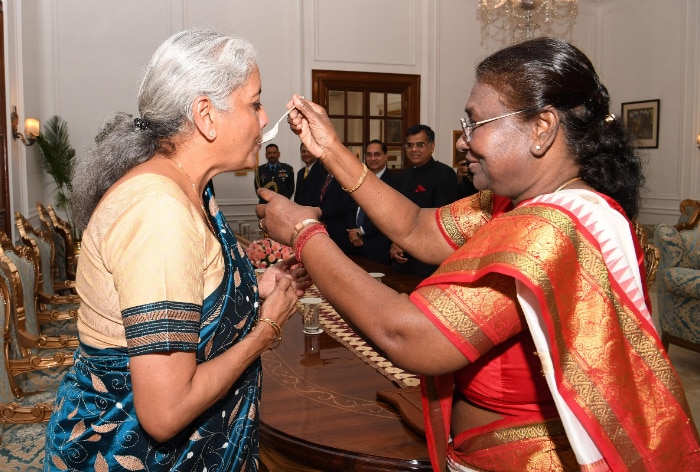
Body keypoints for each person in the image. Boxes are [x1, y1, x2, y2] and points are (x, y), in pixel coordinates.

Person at [257, 37, 700, 471]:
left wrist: (304, 233)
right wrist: (331, 149)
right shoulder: (514, 200)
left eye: (476, 123)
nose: (464, 141)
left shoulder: (552, 229)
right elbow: (417, 227)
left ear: (542, 128)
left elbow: (410, 335)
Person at [44, 28, 310, 472]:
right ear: (206, 115)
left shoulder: (190, 187)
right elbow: (165, 413)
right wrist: (265, 331)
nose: (264, 119)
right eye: (254, 102)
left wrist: (251, 287)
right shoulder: (159, 211)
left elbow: (194, 289)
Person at [391, 124, 459, 277]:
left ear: (432, 146)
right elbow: (396, 215)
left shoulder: (444, 174)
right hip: (402, 259)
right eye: (410, 145)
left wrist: (405, 244)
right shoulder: (402, 177)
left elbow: (439, 219)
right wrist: (395, 243)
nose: (414, 149)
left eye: (420, 145)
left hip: (429, 260)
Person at [347, 139, 396, 265]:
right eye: (369, 154)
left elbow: (387, 214)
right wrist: (352, 231)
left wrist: (361, 231)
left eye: (377, 154)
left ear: (386, 156)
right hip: (355, 243)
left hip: (378, 244)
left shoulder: (393, 181)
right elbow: (352, 207)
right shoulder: (360, 179)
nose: (372, 158)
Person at [319, 171, 355, 254]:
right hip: (324, 229)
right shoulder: (323, 176)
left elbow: (344, 206)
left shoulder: (344, 178)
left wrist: (320, 213)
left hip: (339, 231)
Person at [293, 142, 327, 207]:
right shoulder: (300, 173)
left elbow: (321, 196)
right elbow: (297, 196)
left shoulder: (322, 171)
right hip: (300, 212)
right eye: (303, 151)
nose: (306, 154)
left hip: (314, 213)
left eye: (309, 151)